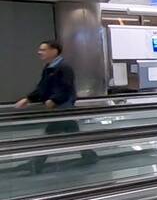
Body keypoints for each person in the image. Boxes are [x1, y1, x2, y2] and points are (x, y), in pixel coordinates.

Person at [15, 40, 98, 171]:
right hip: (59, 107)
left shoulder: (64, 67)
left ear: (54, 51)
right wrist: (28, 98)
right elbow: (42, 88)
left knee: (50, 134)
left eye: (43, 49)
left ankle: (36, 163)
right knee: (73, 134)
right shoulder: (49, 67)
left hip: (62, 108)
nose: (39, 52)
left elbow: (66, 87)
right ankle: (90, 156)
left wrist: (54, 100)